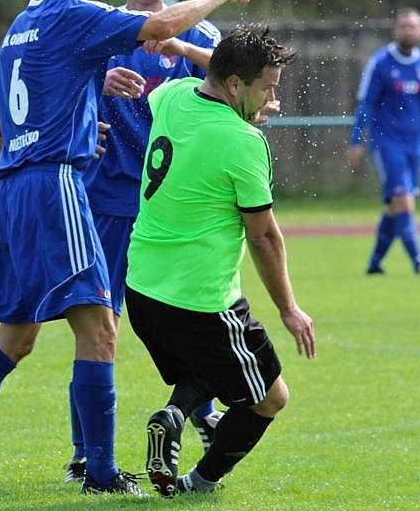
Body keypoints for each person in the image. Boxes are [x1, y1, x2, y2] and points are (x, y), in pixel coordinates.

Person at [0, 0, 273, 497]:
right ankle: (99, 472)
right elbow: (158, 25)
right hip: (59, 186)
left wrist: (82, 102)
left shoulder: (22, 27)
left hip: (16, 189)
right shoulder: (75, 17)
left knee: (18, 335)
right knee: (102, 330)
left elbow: (9, 118)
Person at [63, 0, 245, 484]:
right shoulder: (101, 31)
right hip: (113, 203)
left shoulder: (204, 37)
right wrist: (96, 88)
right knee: (101, 325)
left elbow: (238, 97)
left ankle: (202, 413)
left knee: (202, 317)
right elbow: (57, 93)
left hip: (181, 211)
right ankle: (85, 455)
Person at [123, 25, 315, 498]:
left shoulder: (172, 96)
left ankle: (174, 415)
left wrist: (184, 48)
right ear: (234, 84)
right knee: (269, 398)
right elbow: (264, 236)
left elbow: (209, 81)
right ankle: (198, 484)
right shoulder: (244, 142)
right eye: (266, 86)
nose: (272, 96)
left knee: (205, 364)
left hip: (143, 289)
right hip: (202, 299)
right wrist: (289, 308)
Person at [346, 8, 420, 275]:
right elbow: (366, 106)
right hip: (386, 144)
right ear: (395, 31)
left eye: (413, 26)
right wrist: (355, 141)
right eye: (403, 26)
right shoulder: (381, 63)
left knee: (395, 207)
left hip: (415, 146)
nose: (408, 31)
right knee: (404, 202)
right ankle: (418, 262)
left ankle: (374, 264)